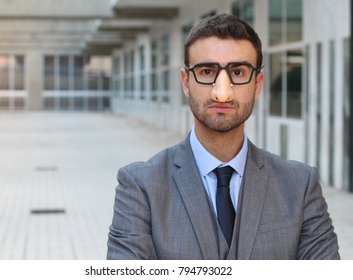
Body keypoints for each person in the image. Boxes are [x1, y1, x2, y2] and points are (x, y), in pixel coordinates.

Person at [107, 13, 340, 260]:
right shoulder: (140, 187)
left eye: (238, 73)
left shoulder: (300, 185)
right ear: (186, 82)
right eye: (207, 71)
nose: (222, 94)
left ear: (257, 84)